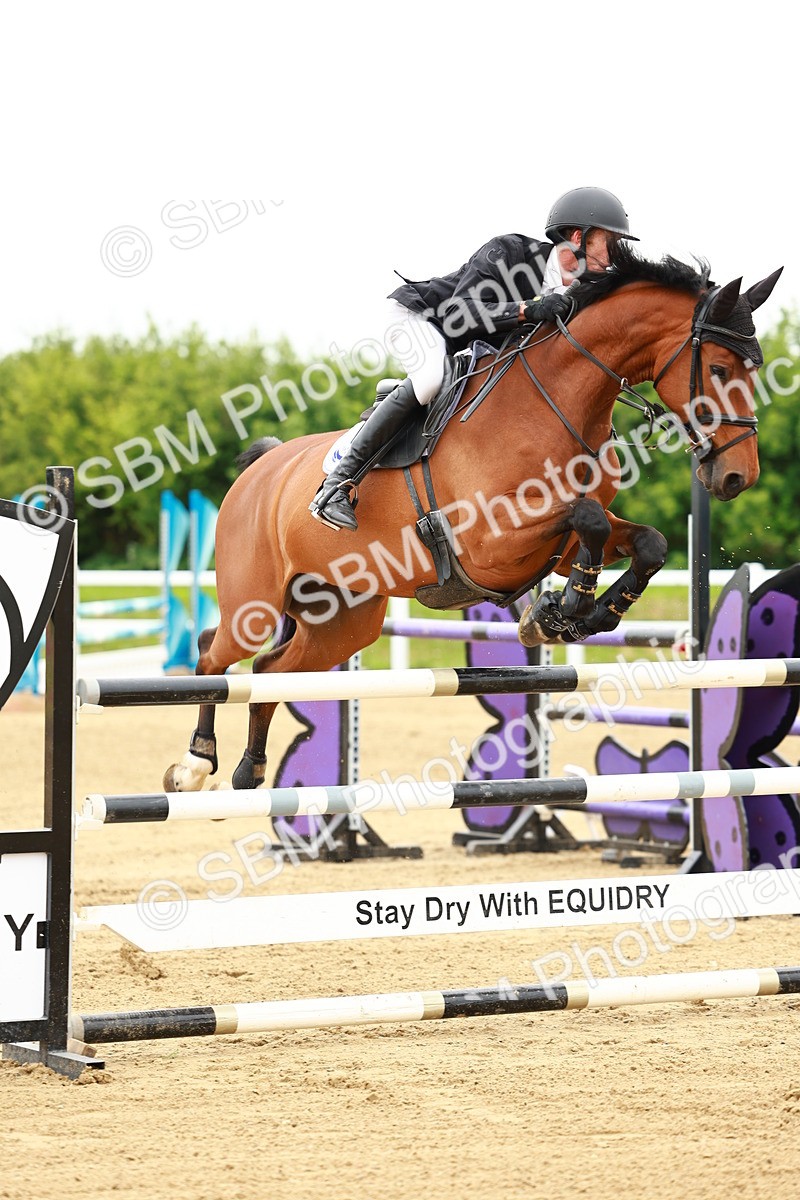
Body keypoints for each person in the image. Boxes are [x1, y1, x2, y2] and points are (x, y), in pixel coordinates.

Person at [310, 186, 638, 531]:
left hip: (468, 344)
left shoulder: (579, 293)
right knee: (430, 378)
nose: (616, 254)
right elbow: (459, 313)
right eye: (612, 242)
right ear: (578, 236)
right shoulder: (510, 252)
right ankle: (334, 488)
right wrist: (528, 309)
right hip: (422, 318)